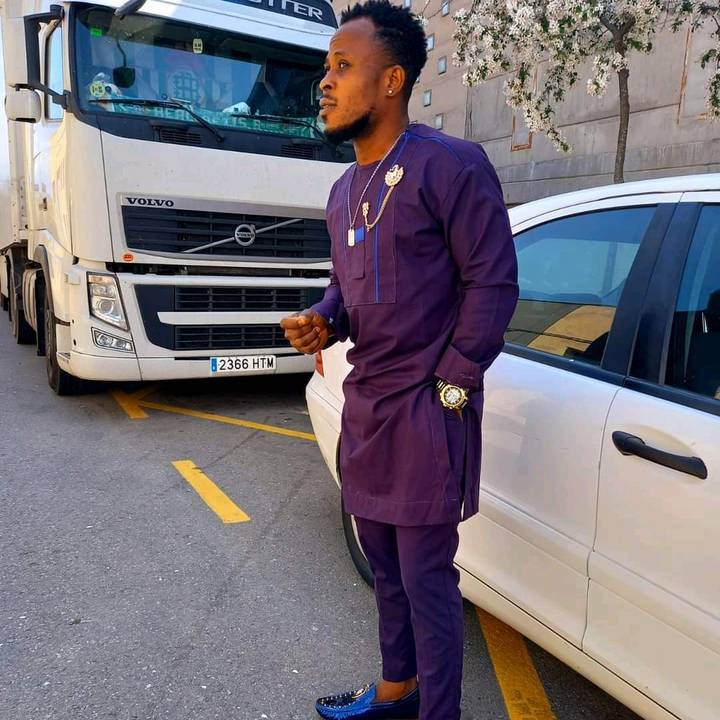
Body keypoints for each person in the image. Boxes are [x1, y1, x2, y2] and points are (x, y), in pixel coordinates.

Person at [280, 2, 519, 718]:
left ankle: (438, 712)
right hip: (368, 407)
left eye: (342, 67)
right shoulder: (342, 192)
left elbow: (493, 283)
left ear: (391, 81)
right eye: (326, 67)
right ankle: (395, 690)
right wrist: (325, 319)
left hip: (426, 411)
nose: (325, 82)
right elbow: (349, 286)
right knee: (382, 566)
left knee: (425, 579)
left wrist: (453, 384)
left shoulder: (451, 166)